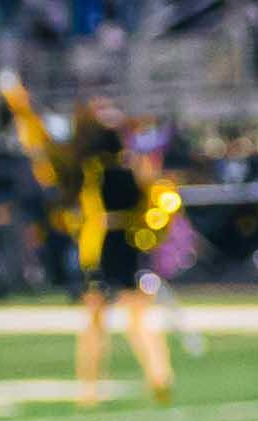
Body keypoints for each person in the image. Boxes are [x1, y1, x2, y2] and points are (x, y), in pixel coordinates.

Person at [61, 96, 181, 405]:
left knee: (104, 315)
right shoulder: (99, 163)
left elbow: (154, 193)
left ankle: (97, 388)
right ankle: (157, 374)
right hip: (111, 241)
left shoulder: (100, 163)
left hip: (110, 240)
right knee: (117, 314)